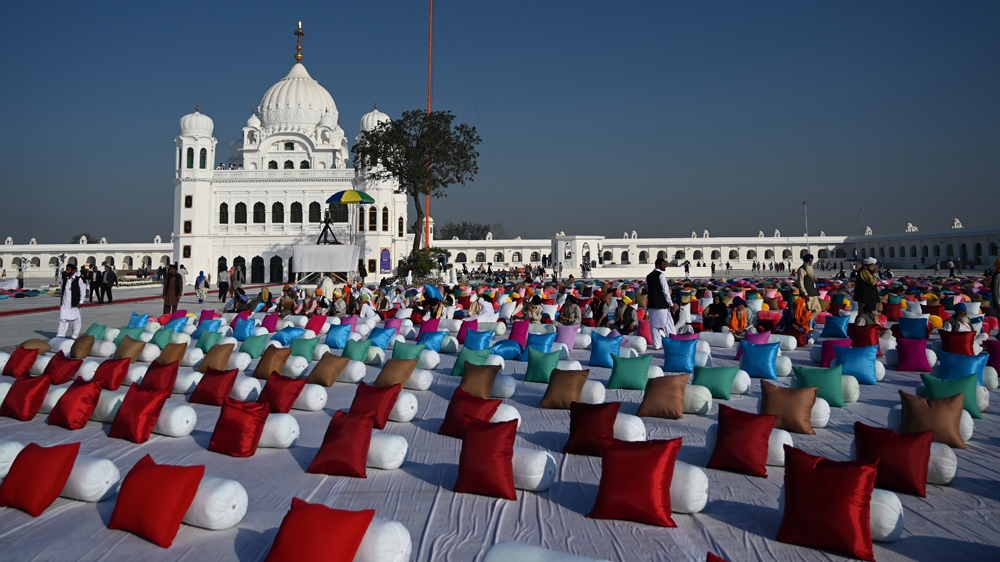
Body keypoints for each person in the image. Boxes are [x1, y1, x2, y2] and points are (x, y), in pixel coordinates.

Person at [646, 258, 677, 349]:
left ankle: (657, 345)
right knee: (668, 325)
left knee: (654, 327)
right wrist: (671, 304)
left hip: (652, 305)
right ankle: (673, 343)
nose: (665, 266)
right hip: (661, 305)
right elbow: (665, 291)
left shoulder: (648, 276)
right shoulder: (661, 275)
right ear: (658, 265)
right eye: (664, 264)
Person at [56, 263, 84, 339]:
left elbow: (82, 291)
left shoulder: (78, 280)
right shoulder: (65, 279)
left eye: (68, 270)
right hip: (65, 303)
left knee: (76, 321)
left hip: (74, 303)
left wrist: (81, 301)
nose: (66, 271)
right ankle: (60, 335)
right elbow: (62, 290)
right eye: (66, 269)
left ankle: (75, 336)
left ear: (73, 271)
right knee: (62, 319)